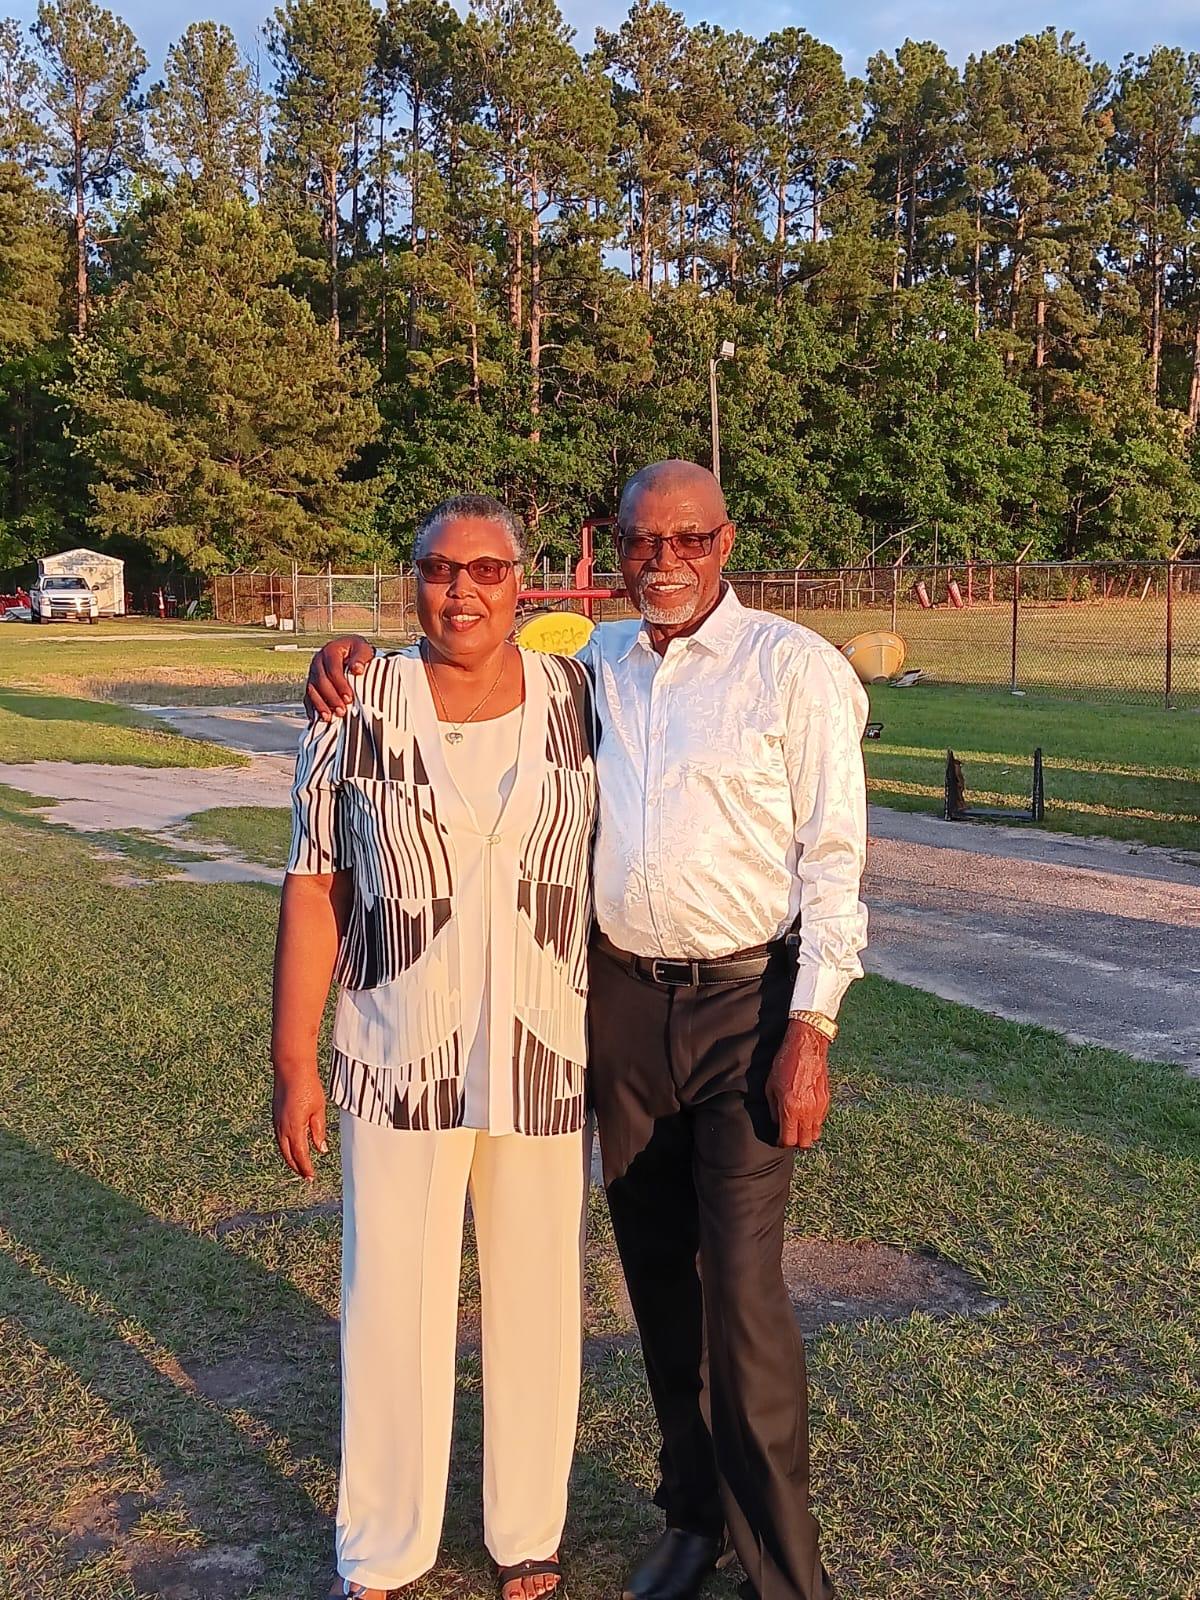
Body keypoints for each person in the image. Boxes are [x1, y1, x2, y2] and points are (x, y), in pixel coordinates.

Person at [306, 461, 869, 1600]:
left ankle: (788, 1570)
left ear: (727, 542)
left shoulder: (793, 671)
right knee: (656, 1276)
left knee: (744, 1290)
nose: (665, 561)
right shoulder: (591, 667)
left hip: (748, 1011)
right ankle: (692, 1518)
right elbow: (460, 669)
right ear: (612, 554)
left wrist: (814, 1020)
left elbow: (836, 861)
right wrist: (345, 658)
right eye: (641, 543)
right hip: (616, 1006)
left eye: (689, 540)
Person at [273, 495, 596, 1600]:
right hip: (396, 1047)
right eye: (438, 568)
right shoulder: (356, 700)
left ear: (525, 582)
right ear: (411, 578)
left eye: (488, 570)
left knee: (538, 1298)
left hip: (542, 1049)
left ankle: (528, 1531)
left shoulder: (579, 696)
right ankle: (386, 1542)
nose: (462, 591)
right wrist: (295, 1059)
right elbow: (313, 882)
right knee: (392, 1301)